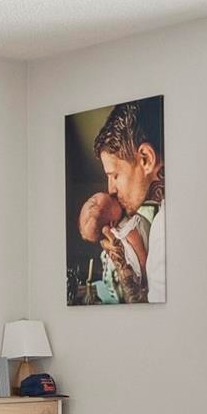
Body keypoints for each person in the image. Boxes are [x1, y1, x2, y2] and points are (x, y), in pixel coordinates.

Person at [85, 101, 163, 303]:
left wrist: (121, 264)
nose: (110, 189)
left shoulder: (164, 230)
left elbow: (152, 319)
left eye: (114, 175)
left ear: (146, 159)